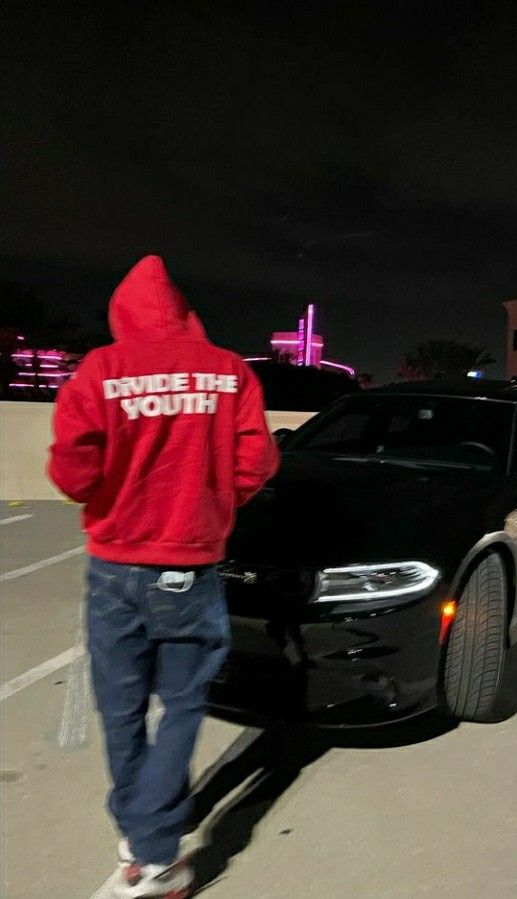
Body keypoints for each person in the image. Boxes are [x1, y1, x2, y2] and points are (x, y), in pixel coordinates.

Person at [48, 255, 279, 898]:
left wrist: (111, 496)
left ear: (123, 313)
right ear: (183, 313)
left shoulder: (100, 370)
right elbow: (255, 463)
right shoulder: (230, 372)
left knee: (120, 707)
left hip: (115, 565)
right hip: (191, 568)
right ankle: (155, 846)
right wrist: (207, 505)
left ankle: (142, 842)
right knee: (181, 703)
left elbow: (71, 473)